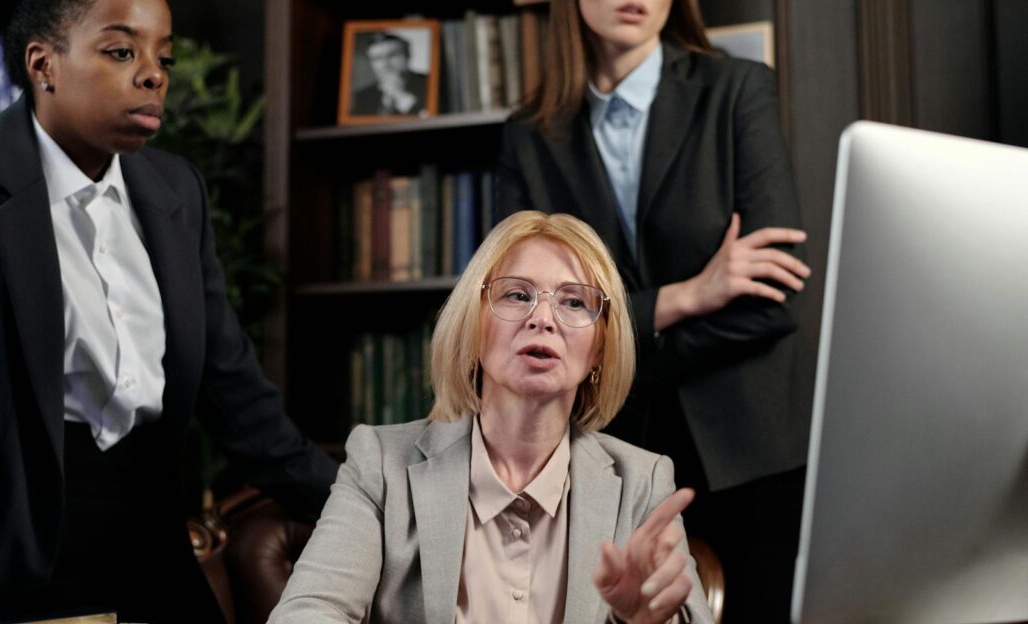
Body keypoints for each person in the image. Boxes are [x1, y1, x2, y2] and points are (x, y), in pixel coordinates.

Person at [0, 0, 337, 621]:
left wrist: (378, 509)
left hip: (149, 552)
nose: (154, 74)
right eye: (122, 51)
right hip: (6, 555)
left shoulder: (176, 191)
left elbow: (236, 396)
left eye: (163, 56)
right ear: (44, 64)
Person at [495, 1, 811, 621]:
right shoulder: (529, 134)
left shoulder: (737, 91)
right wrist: (687, 296)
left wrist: (612, 341)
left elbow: (773, 302)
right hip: (606, 451)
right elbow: (524, 312)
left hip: (751, 451)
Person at [269, 211, 714, 624]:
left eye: (575, 303)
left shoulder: (642, 483)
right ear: (474, 327)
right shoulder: (381, 464)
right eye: (517, 295)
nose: (543, 318)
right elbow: (307, 612)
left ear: (598, 349)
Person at [350, 31, 428, 116]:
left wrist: (401, 96)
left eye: (392, 55)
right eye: (377, 58)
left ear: (408, 55)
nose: (384, 64)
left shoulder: (431, 83)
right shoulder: (363, 96)